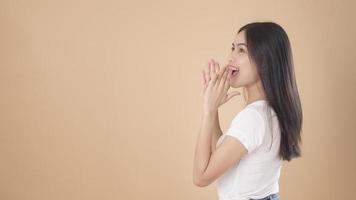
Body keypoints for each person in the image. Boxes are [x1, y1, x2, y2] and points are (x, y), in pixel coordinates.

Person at [193, 22, 303, 200]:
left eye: (241, 50)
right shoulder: (269, 112)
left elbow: (201, 177)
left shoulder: (253, 118)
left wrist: (208, 111)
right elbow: (221, 158)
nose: (230, 57)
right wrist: (213, 110)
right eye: (232, 48)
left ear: (265, 62)